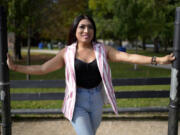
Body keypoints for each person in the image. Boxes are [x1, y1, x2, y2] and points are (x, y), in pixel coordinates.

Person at [7, 15, 175, 135]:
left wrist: (158, 60)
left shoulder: (103, 50)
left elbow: (129, 57)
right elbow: (43, 68)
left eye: (90, 27)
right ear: (75, 30)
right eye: (82, 26)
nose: (86, 30)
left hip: (96, 100)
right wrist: (15, 68)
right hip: (76, 102)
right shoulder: (67, 52)